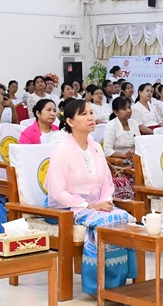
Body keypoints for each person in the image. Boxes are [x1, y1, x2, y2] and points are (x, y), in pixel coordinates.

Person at [46, 99, 135, 295]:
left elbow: (107, 183)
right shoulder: (61, 150)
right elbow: (58, 192)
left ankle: (117, 281)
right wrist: (89, 205)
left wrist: (105, 201)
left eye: (91, 113)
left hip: (95, 204)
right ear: (70, 121)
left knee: (123, 217)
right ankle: (98, 282)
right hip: (66, 206)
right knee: (108, 220)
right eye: (84, 114)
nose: (90, 118)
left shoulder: (96, 147)